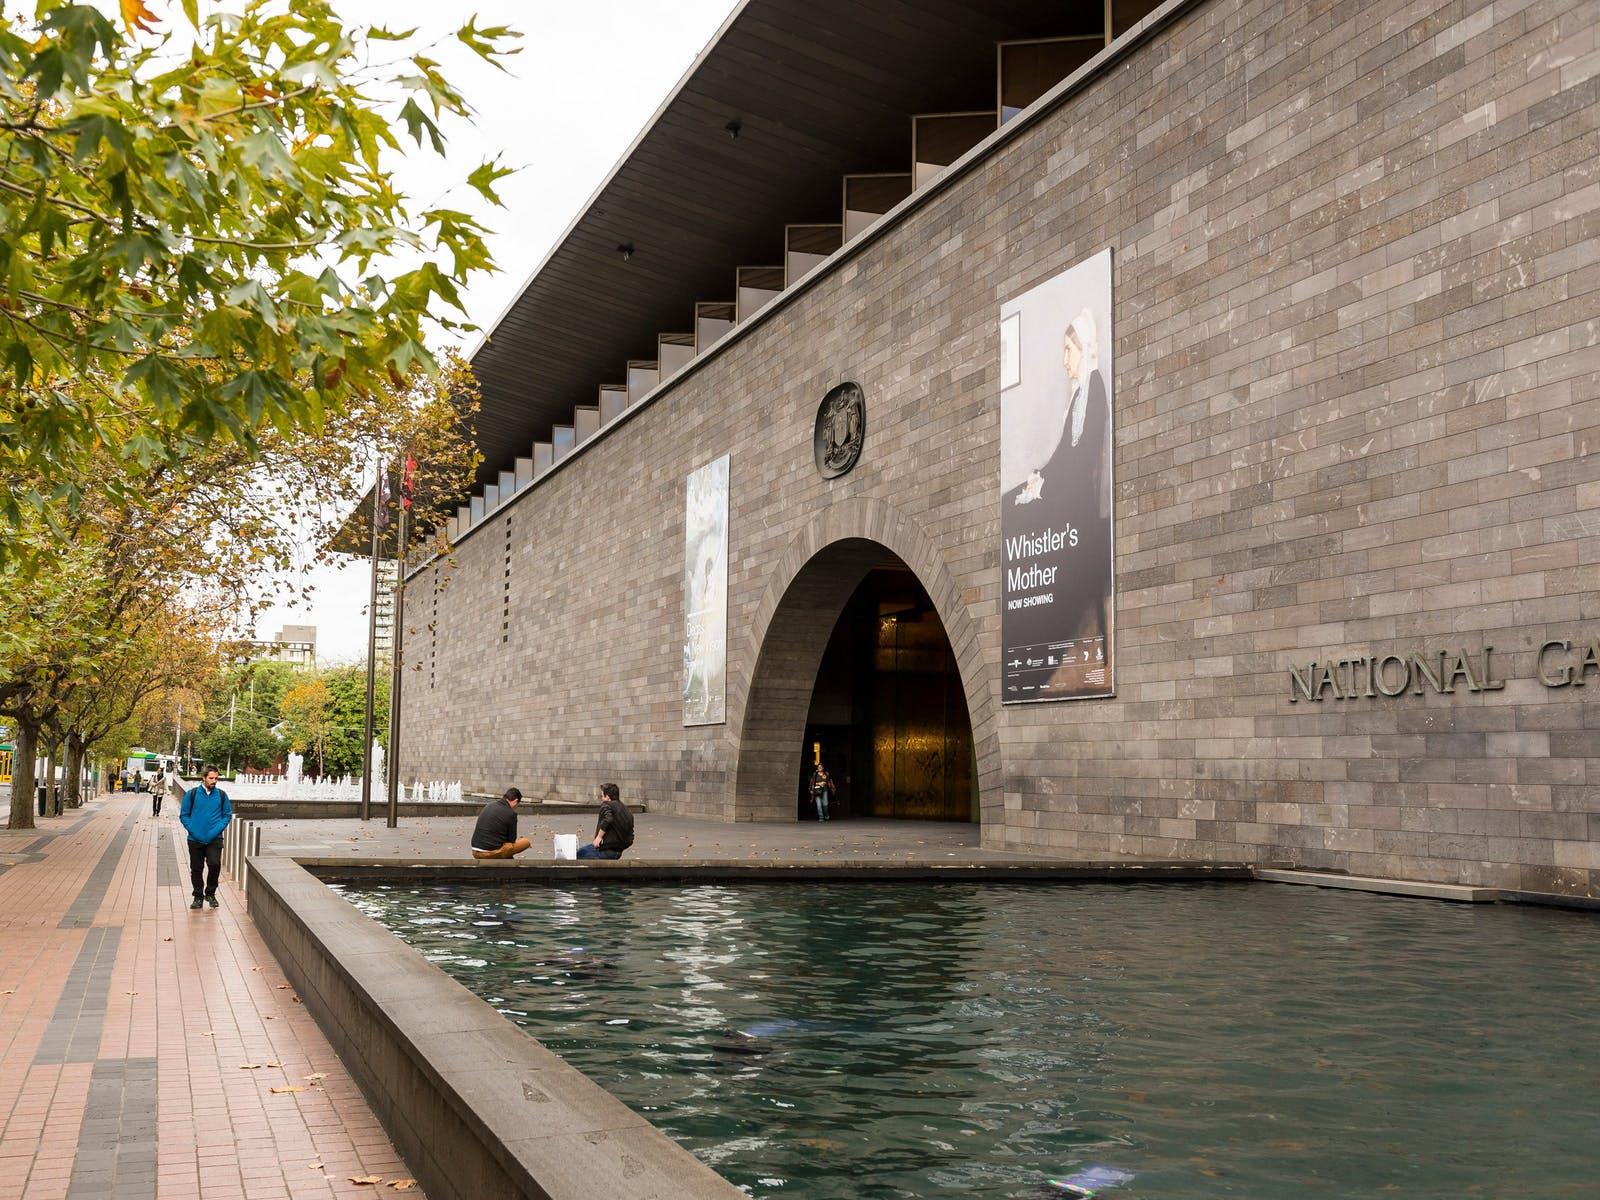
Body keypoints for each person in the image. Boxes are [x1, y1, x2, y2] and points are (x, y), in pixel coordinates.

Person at [179, 766, 232, 910]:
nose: (214, 781)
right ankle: (197, 897)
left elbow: (227, 815)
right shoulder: (192, 794)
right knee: (196, 868)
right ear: (204, 778)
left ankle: (210, 893)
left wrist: (216, 830)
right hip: (195, 839)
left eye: (216, 778)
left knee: (214, 865)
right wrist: (194, 830)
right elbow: (184, 815)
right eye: (211, 778)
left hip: (215, 839)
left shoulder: (221, 795)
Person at [470, 787, 531, 859]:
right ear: (516, 800)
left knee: (506, 847)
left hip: (475, 851)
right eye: (517, 804)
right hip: (489, 853)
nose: (516, 807)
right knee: (525, 842)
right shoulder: (511, 814)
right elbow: (511, 840)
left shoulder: (489, 805)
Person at [576, 783, 633, 860]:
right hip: (618, 852)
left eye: (602, 796)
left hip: (604, 850)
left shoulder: (606, 805)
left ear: (607, 797)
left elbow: (608, 819)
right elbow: (631, 837)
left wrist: (599, 837)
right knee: (583, 847)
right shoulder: (627, 811)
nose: (602, 799)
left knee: (576, 854)